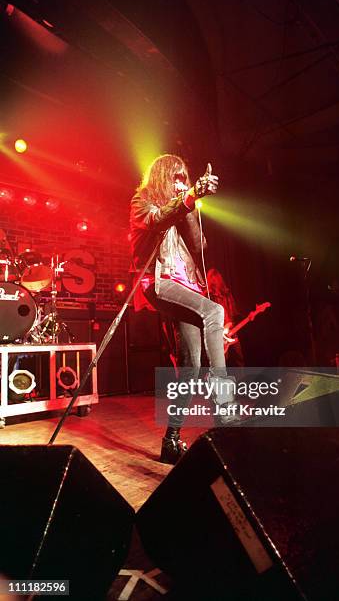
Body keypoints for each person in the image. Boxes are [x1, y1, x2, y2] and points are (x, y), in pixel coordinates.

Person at [130, 154, 238, 464]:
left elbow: (199, 245)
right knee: (214, 311)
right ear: (163, 175)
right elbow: (154, 220)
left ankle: (171, 441)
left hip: (187, 285)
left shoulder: (183, 205)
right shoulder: (143, 199)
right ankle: (225, 406)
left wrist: (191, 202)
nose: (181, 179)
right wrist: (187, 197)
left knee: (191, 365)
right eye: (176, 174)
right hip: (159, 281)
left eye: (184, 176)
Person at [206, 268, 245, 367]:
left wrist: (230, 324)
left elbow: (233, 312)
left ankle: (241, 380)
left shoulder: (226, 294)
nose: (214, 282)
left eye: (216, 279)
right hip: (217, 332)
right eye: (212, 280)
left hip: (231, 330)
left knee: (239, 357)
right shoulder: (208, 296)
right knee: (221, 360)